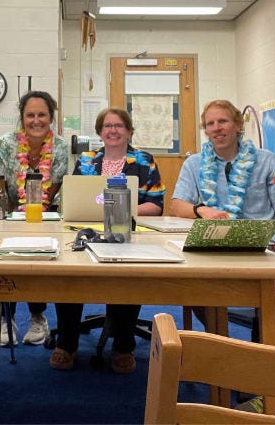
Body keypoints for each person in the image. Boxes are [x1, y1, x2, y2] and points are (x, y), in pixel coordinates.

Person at [169, 99, 275, 348]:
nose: (217, 128)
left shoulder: (266, 160)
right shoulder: (194, 163)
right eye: (210, 123)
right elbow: (176, 205)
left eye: (223, 121)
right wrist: (201, 209)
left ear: (238, 125)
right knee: (194, 286)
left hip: (264, 246)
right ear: (205, 130)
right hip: (215, 243)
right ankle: (226, 349)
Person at [51, 107, 165, 372]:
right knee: (68, 274)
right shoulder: (87, 160)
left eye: (119, 126)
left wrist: (121, 210)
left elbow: (156, 206)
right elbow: (74, 200)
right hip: (87, 231)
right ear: (100, 132)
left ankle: (123, 346)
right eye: (107, 126)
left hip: (128, 233)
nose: (113, 131)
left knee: (128, 278)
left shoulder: (144, 161)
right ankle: (67, 343)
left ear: (128, 131)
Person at [0, 90, 69, 345]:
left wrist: (34, 221)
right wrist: (11, 222)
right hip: (7, 208)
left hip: (44, 214)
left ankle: (37, 317)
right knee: (5, 261)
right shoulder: (6, 143)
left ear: (51, 117)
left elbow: (52, 191)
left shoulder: (60, 147)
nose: (36, 120)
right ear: (22, 118)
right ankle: (6, 318)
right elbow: (0, 185)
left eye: (42, 115)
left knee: (40, 261)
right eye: (30, 115)